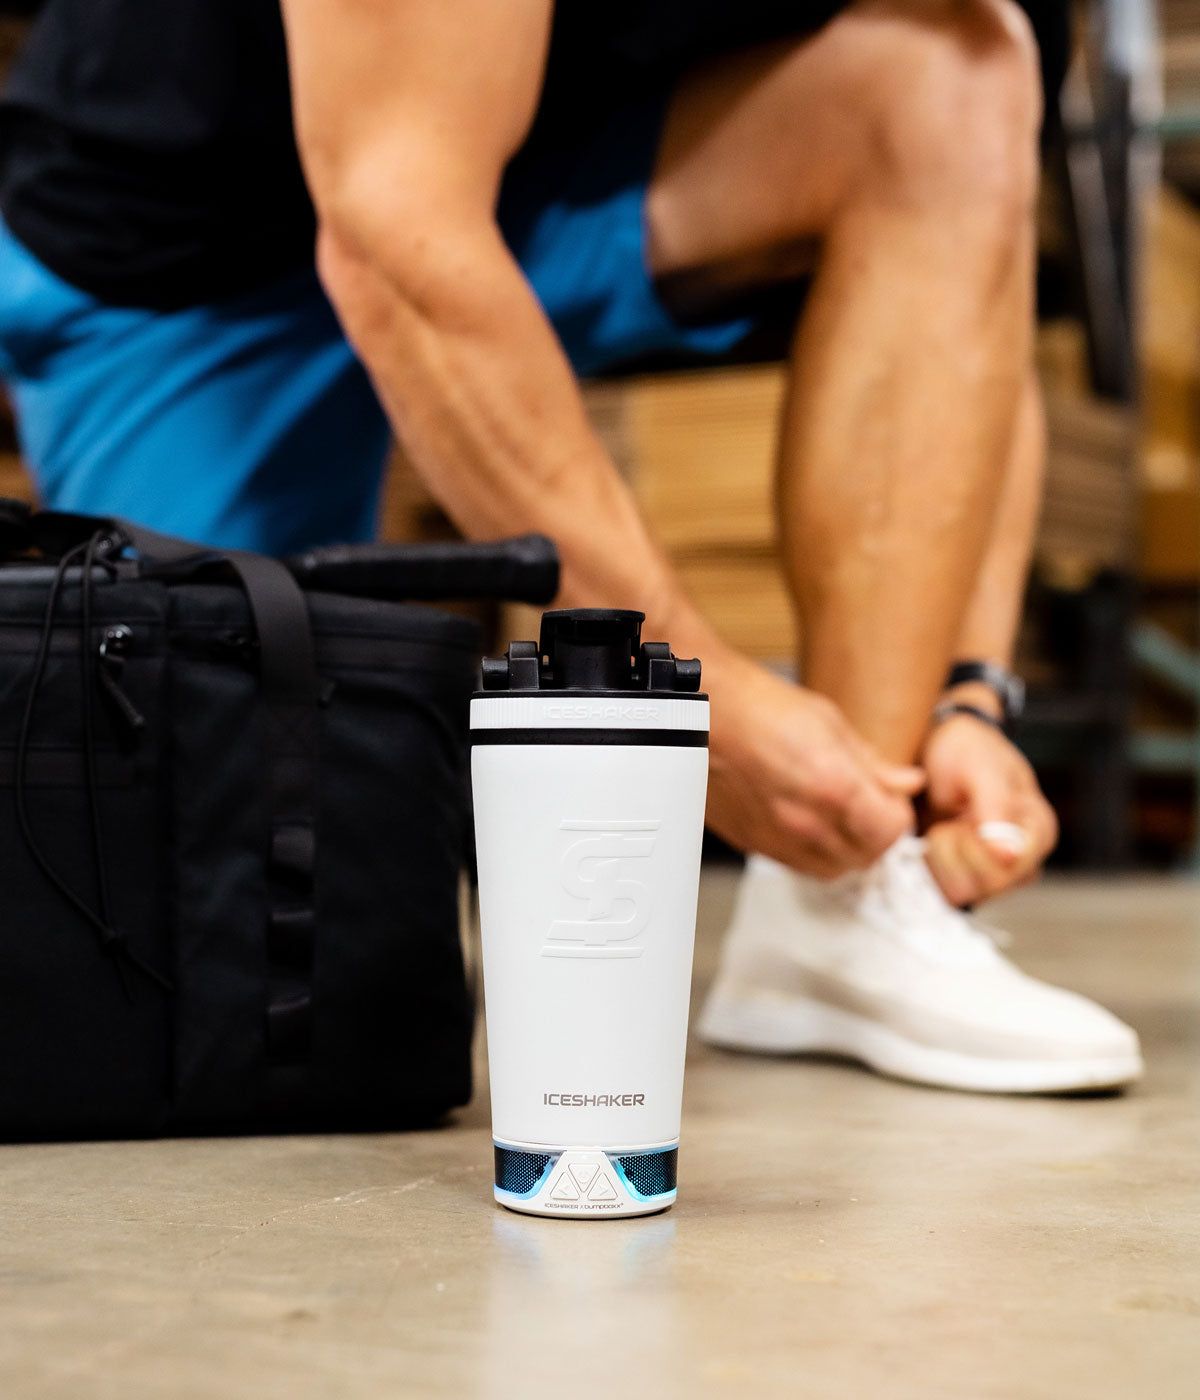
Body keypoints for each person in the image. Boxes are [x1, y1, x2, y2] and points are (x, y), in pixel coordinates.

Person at [0, 0, 1141, 1092]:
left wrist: (967, 695)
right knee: (158, 926)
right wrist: (708, 713)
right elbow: (395, 228)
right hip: (182, 266)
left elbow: (974, 284)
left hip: (534, 196)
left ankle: (839, 907)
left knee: (953, 76)